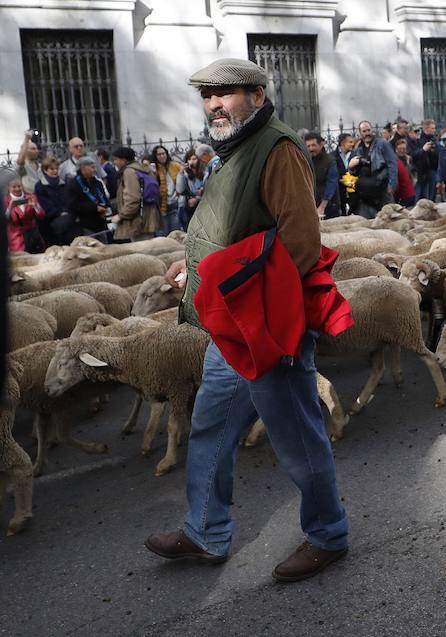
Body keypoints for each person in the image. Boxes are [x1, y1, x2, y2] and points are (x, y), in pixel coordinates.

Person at [145, 58, 349, 582]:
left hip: (264, 325)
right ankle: (205, 531)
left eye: (225, 93)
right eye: (207, 95)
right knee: (211, 425)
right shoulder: (234, 148)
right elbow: (233, 230)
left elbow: (300, 242)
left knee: (296, 435)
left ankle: (328, 534)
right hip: (232, 325)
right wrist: (192, 265)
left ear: (257, 95)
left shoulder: (277, 149)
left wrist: (256, 308)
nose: (214, 104)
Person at [109, 147, 162, 241]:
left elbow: (133, 199)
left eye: (116, 159)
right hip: (149, 216)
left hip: (137, 221)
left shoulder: (129, 172)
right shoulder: (144, 169)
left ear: (123, 160)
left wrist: (121, 216)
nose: (114, 162)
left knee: (141, 248)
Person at [349, 119, 397, 218]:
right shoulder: (357, 148)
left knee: (388, 220)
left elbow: (392, 164)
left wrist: (392, 185)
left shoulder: (382, 144)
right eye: (364, 131)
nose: (367, 133)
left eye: (368, 130)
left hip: (382, 189)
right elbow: (352, 172)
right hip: (365, 194)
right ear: (360, 133)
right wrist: (351, 166)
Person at [34, 157, 78, 246]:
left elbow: (68, 200)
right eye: (52, 169)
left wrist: (66, 211)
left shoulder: (63, 184)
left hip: (66, 217)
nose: (55, 171)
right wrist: (59, 212)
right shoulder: (40, 186)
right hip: (49, 221)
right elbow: (45, 205)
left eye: (56, 169)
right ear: (45, 170)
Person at [64, 156, 110, 237]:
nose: (95, 170)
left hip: (100, 222)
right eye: (92, 167)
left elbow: (104, 198)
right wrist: (94, 207)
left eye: (95, 167)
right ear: (82, 168)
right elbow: (72, 205)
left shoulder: (97, 182)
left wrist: (105, 207)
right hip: (84, 224)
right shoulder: (73, 184)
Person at [5, 176, 45, 253]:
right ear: (9, 188)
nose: (17, 189)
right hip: (17, 238)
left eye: (19, 186)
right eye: (14, 187)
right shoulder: (5, 201)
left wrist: (35, 206)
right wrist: (9, 208)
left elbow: (42, 215)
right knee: (21, 257)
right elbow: (4, 221)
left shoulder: (31, 196)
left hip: (33, 235)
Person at [304, 133, 340, 219]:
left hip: (329, 206)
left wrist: (322, 207)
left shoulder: (330, 161)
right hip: (312, 204)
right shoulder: (306, 161)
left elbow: (331, 184)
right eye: (308, 146)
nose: (311, 149)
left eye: (313, 145)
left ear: (321, 145)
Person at [152, 145, 182, 236]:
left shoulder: (174, 165)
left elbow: (182, 181)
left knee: (175, 234)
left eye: (163, 153)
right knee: (162, 235)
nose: (162, 156)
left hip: (174, 203)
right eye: (159, 154)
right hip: (161, 206)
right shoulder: (154, 168)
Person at [176, 148, 206, 229]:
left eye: (194, 159)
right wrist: (181, 173)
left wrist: (197, 198)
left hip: (202, 205)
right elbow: (180, 190)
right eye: (189, 159)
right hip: (189, 207)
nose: (191, 161)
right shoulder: (185, 174)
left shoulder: (205, 171)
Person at [412, 119, 439, 202]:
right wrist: (424, 150)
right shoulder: (418, 139)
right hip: (422, 172)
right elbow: (414, 155)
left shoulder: (434, 139)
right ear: (426, 128)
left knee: (432, 196)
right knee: (423, 197)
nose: (434, 130)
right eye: (432, 128)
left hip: (433, 169)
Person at [334, 133, 356, 215]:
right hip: (339, 193)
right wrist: (341, 181)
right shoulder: (333, 156)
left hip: (353, 191)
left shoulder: (354, 155)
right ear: (343, 143)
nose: (352, 144)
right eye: (350, 142)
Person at [392, 137, 416, 207]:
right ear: (396, 149)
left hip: (410, 192)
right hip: (402, 195)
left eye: (404, 149)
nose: (402, 150)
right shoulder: (394, 162)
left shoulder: (408, 160)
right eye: (400, 148)